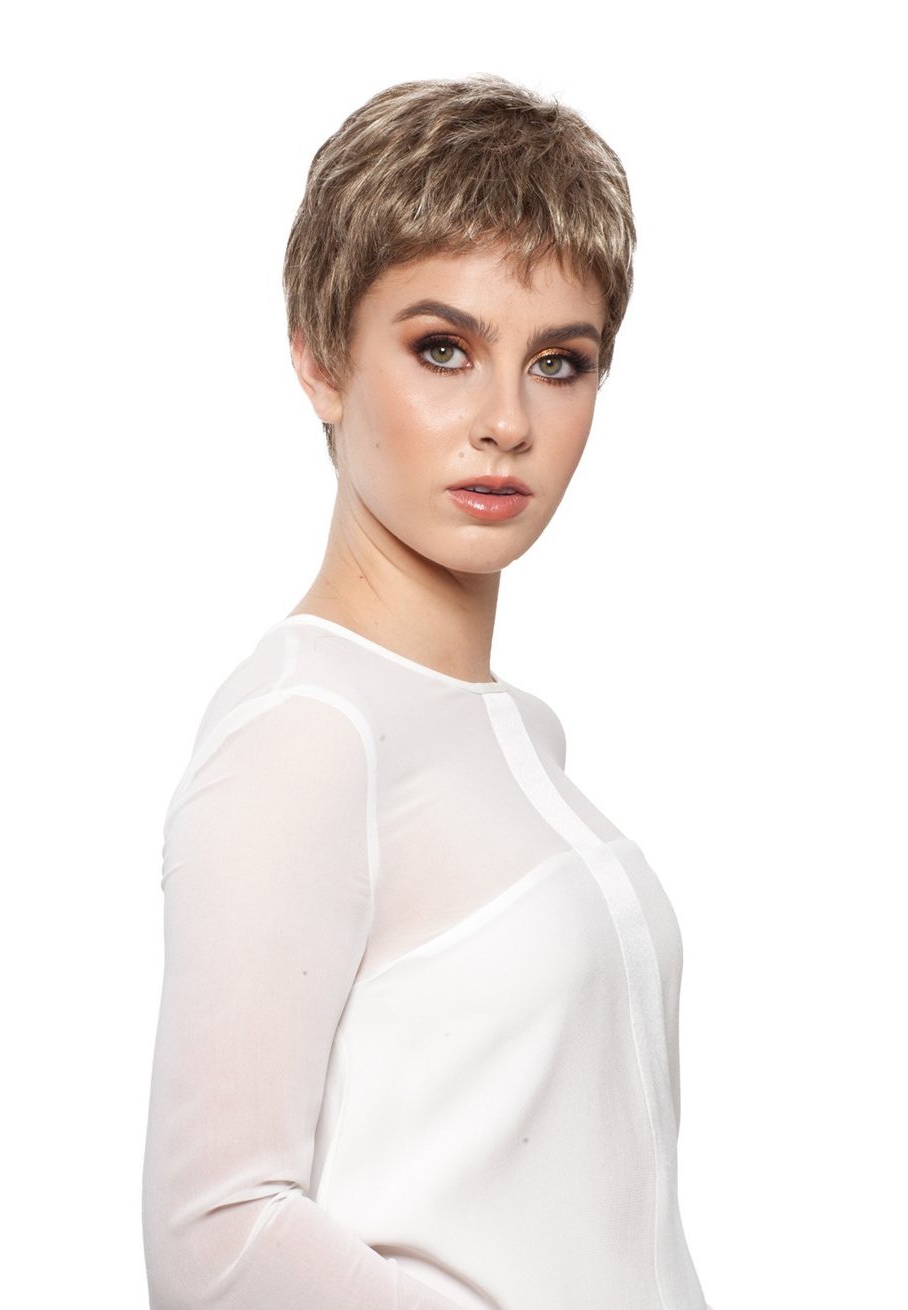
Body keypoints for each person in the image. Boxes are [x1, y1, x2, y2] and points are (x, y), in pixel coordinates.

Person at [141, 75, 714, 1310]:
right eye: (441, 348)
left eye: (558, 362)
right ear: (320, 357)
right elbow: (213, 1239)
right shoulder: (305, 732)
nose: (505, 421)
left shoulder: (516, 737)